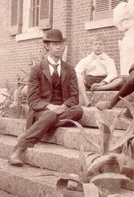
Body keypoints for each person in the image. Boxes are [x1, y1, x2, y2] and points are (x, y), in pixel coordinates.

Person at [9, 29, 84, 167]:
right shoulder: (37, 69)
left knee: (78, 111)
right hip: (41, 110)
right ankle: (19, 148)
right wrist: (50, 107)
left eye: (60, 44)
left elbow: (74, 97)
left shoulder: (69, 69)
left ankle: (39, 128)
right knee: (49, 115)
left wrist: (63, 106)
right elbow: (32, 100)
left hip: (62, 109)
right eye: (54, 44)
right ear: (47, 46)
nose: (58, 47)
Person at [75, 35, 124, 106]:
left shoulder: (108, 59)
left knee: (120, 80)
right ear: (91, 46)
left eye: (100, 44)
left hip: (104, 81)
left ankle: (98, 88)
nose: (98, 46)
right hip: (90, 80)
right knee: (78, 76)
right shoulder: (86, 60)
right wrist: (82, 78)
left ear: (104, 46)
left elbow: (112, 73)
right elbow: (76, 71)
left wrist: (102, 83)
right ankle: (86, 100)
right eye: (95, 44)